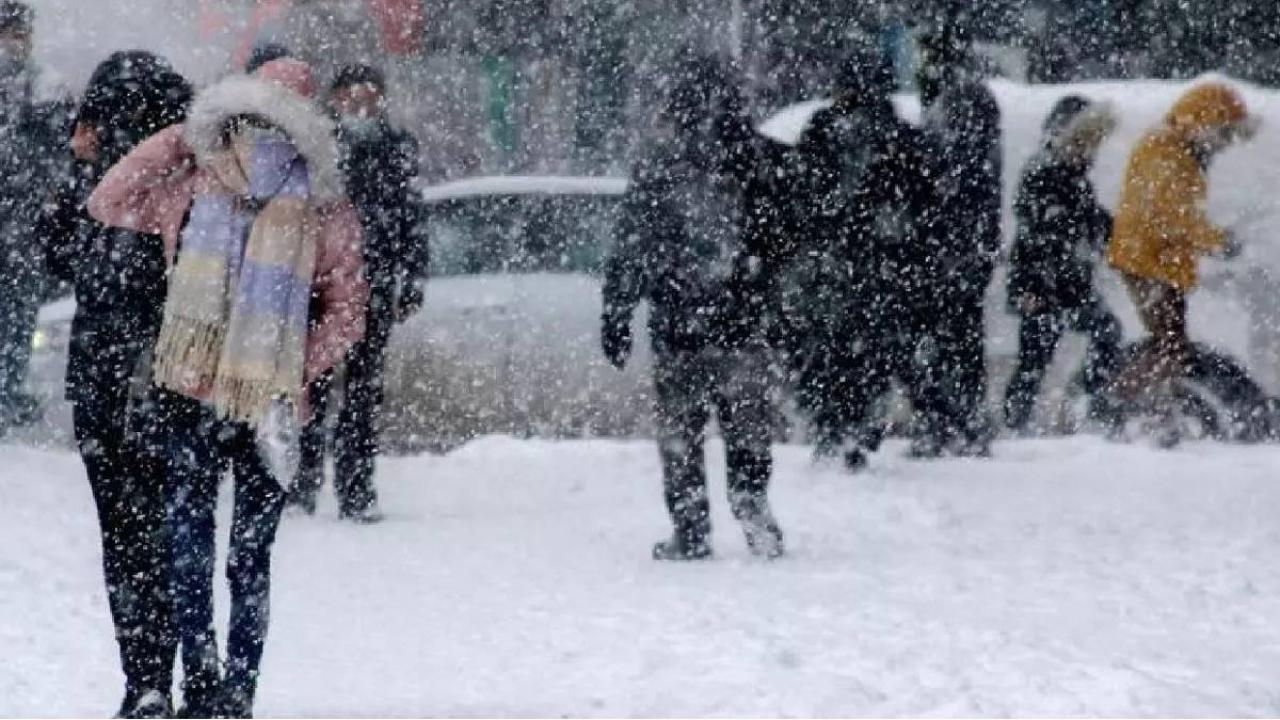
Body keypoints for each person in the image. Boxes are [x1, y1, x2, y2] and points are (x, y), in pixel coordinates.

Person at [88, 58, 369, 717]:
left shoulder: (194, 183)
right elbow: (349, 311)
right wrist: (292, 368)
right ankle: (236, 691)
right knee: (247, 556)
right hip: (266, 404)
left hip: (194, 392)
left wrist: (183, 137)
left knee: (192, 546)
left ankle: (206, 683)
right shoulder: (321, 203)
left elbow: (109, 196)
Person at [41, 50, 191, 719]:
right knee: (158, 536)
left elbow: (54, 255)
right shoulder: (177, 176)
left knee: (133, 541)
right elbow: (54, 253)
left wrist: (77, 169)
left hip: (126, 379)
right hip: (147, 380)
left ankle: (148, 676)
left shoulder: (142, 186)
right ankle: (161, 674)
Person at [601, 56, 784, 561]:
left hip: (679, 322)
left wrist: (617, 311)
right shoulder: (756, 160)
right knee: (747, 429)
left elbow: (631, 245)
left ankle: (691, 526)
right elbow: (779, 242)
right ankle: (751, 506)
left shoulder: (660, 164)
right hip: (741, 323)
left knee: (681, 434)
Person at [787, 49, 948, 470]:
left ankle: (832, 427)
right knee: (874, 353)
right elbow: (928, 207)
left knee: (829, 351)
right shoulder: (901, 137)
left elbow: (799, 195)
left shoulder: (823, 130)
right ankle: (859, 425)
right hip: (885, 267)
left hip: (835, 266)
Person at [285, 63, 425, 522]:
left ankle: (357, 489)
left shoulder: (396, 147)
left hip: (374, 282)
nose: (362, 107)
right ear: (337, 99)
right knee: (313, 385)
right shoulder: (316, 144)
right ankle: (303, 482)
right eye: (353, 97)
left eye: (371, 97)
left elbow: (411, 215)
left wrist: (412, 276)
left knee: (363, 393)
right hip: (320, 284)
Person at [1106, 82, 1256, 446]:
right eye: (1223, 134)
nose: (1224, 144)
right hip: (1150, 263)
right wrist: (1218, 241)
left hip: (1156, 261)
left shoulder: (1175, 148)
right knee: (1171, 346)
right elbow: (1173, 216)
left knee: (1170, 344)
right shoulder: (1166, 152)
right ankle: (1120, 402)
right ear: (1204, 122)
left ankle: (1153, 410)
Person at [1004, 95, 1122, 433]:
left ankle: (1088, 399)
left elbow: (1089, 221)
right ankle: (1019, 422)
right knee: (1035, 359)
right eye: (1087, 141)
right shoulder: (1042, 172)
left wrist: (1116, 231)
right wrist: (1029, 288)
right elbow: (1039, 233)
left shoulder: (1074, 174)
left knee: (1105, 332)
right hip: (1040, 285)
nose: (1092, 150)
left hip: (1068, 283)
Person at [918, 30, 1004, 456]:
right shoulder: (971, 102)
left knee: (951, 333)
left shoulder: (955, 106)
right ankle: (959, 420)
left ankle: (950, 421)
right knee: (961, 333)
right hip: (965, 241)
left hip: (952, 243)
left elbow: (958, 175)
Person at [0, 0, 70, 435]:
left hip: (21, 224)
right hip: (19, 221)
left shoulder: (46, 86)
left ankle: (8, 391)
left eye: (18, 33)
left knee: (17, 313)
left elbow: (54, 158)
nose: (12, 43)